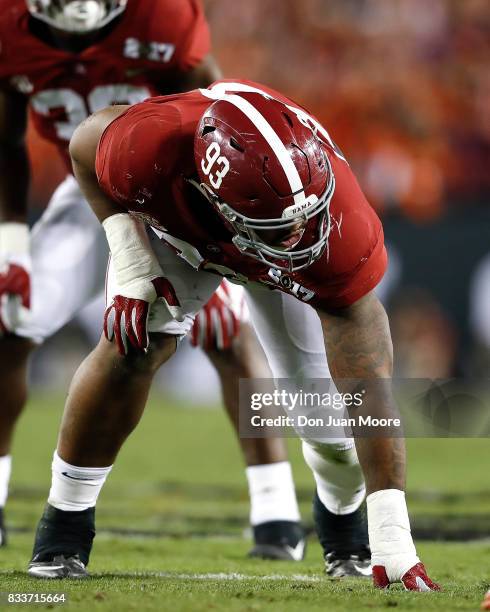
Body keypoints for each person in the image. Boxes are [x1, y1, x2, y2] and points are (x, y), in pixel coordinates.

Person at [26, 77, 440, 591]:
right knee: (133, 343)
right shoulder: (148, 147)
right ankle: (63, 527)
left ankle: (347, 532)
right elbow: (86, 148)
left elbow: (369, 390)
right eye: (279, 231)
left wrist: (394, 536)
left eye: (306, 221)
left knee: (328, 424)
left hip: (248, 231)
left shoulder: (338, 227)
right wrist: (131, 260)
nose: (299, 239)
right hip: (180, 232)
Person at [0, 0, 305, 561]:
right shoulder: (9, 28)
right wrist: (12, 247)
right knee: (7, 320)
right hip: (87, 183)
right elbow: (5, 142)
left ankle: (276, 509)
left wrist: (213, 254)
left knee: (225, 331)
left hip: (166, 187)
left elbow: (214, 122)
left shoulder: (162, 15)